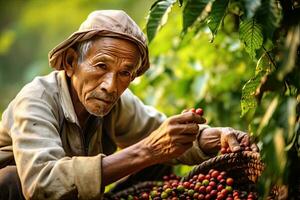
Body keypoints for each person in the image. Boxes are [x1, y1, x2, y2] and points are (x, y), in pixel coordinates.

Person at [0, 10, 258, 200]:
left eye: (125, 74)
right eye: (101, 66)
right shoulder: (35, 100)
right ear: (70, 62)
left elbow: (163, 135)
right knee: (11, 181)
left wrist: (213, 137)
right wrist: (148, 150)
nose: (111, 86)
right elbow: (42, 184)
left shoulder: (115, 103)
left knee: (161, 162)